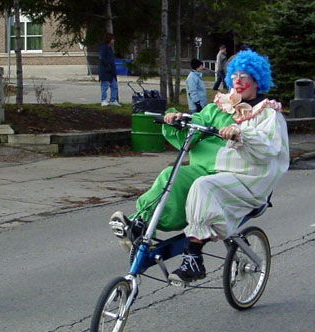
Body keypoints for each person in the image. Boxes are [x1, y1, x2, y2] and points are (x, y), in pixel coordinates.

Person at [110, 49, 289, 283]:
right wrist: (178, 120)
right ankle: (141, 225)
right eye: (234, 74)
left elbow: (269, 146)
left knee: (204, 187)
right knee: (171, 176)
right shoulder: (218, 107)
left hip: (247, 178)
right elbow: (198, 121)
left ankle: (194, 258)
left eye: (245, 75)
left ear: (257, 79)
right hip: (209, 171)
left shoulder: (266, 114)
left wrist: (240, 134)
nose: (238, 80)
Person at [98, 33, 122, 107]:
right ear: (109, 40)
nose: (113, 41)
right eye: (112, 39)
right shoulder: (103, 47)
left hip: (111, 71)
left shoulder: (109, 48)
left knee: (114, 86)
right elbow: (103, 59)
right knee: (104, 86)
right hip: (105, 70)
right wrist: (108, 66)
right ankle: (103, 100)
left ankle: (113, 100)